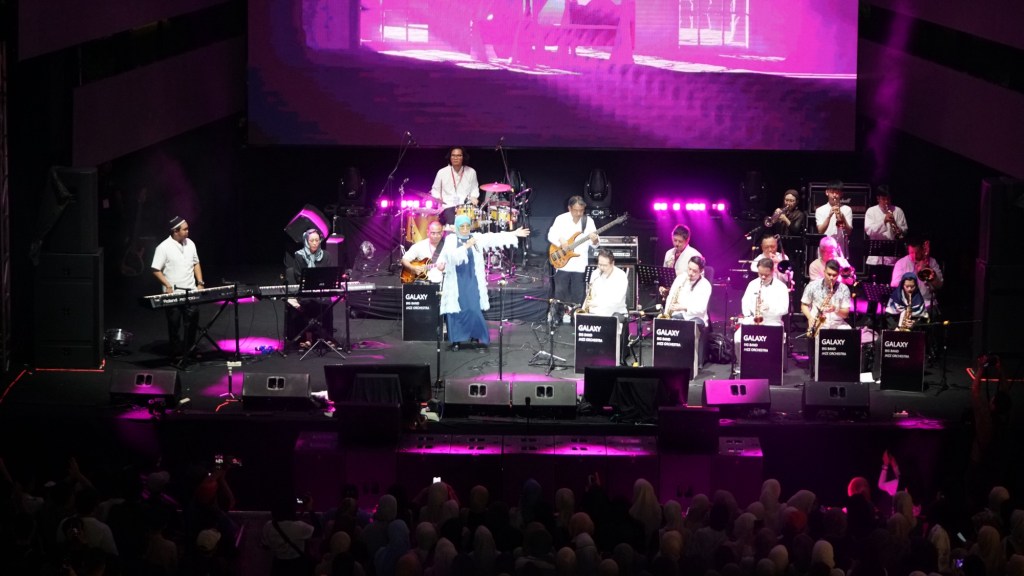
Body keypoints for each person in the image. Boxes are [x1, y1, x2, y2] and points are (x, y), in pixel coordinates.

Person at [437, 214, 530, 350]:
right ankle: (456, 340)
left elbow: (493, 237)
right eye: (462, 226)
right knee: (455, 310)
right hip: (456, 281)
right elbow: (449, 256)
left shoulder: (476, 238)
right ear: (456, 227)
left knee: (473, 309)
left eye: (467, 226)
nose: (465, 229)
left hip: (472, 279)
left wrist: (514, 233)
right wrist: (465, 247)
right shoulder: (451, 239)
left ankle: (476, 336)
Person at [151, 216, 205, 357]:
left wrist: (200, 282)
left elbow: (196, 263)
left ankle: (190, 350)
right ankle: (176, 353)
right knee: (174, 324)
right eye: (185, 229)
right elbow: (155, 269)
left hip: (191, 291)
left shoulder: (190, 243)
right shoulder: (163, 247)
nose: (188, 231)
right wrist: (167, 285)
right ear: (175, 231)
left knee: (192, 323)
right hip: (173, 294)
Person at [547, 196, 599, 321]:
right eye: (576, 210)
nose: (579, 213)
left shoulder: (588, 221)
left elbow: (595, 244)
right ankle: (557, 317)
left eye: (581, 210)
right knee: (560, 291)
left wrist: (595, 240)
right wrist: (561, 241)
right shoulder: (561, 219)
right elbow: (551, 235)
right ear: (569, 208)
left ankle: (577, 318)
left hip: (580, 264)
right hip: (563, 262)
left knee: (579, 293)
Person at [734, 258, 790, 370]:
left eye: (766, 275)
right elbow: (745, 302)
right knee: (738, 339)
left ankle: (770, 368)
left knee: (770, 340)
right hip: (753, 319)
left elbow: (784, 309)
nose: (763, 277)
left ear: (772, 271)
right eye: (760, 274)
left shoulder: (781, 287)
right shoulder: (752, 284)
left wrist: (769, 308)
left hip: (772, 321)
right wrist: (748, 316)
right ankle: (742, 365)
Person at [286, 228, 335, 349]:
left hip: (321, 291)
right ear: (306, 241)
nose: (314, 243)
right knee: (308, 302)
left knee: (327, 302)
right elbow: (298, 276)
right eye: (311, 240)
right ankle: (308, 338)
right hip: (306, 291)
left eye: (317, 240)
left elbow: (329, 275)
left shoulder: (326, 256)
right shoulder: (299, 256)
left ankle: (327, 337)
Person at [580, 250, 630, 363]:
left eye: (604, 265)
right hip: (596, 310)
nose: (601, 267)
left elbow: (617, 300)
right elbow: (590, 294)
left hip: (615, 311)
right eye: (599, 264)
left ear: (612, 263)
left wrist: (597, 303)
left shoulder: (621, 276)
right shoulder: (595, 274)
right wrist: (584, 308)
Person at [890, 234, 943, 312]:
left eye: (917, 253)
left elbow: (939, 285)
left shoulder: (932, 262)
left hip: (927, 303)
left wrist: (927, 269)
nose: (914, 256)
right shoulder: (901, 263)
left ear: (922, 250)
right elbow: (894, 284)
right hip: (906, 304)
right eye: (911, 253)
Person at [863, 185, 908, 274]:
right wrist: (884, 221)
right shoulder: (871, 211)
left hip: (893, 259)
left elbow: (904, 230)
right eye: (883, 199)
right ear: (878, 198)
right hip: (875, 259)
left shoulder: (898, 211)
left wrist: (897, 227)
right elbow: (869, 231)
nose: (886, 202)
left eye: (888, 199)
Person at [801, 259, 852, 337]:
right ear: (824, 272)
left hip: (837, 324)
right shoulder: (812, 286)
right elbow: (804, 305)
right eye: (829, 274)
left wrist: (835, 309)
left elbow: (845, 314)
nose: (831, 278)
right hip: (818, 323)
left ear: (838, 274)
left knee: (849, 333)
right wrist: (810, 318)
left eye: (834, 275)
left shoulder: (844, 289)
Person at [430, 147, 480, 225]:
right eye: (453, 155)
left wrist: (474, 196)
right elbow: (435, 189)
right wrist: (438, 198)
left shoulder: (471, 172)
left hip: (465, 206)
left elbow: (474, 188)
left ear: (463, 157)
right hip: (448, 205)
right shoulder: (442, 172)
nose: (455, 158)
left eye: (459, 155)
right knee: (453, 221)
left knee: (471, 222)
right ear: (450, 157)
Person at [663, 255, 712, 325]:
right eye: (689, 269)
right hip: (677, 315)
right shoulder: (680, 278)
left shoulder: (705, 285)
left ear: (701, 271)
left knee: (689, 324)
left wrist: (684, 308)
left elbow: (701, 310)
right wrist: (666, 315)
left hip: (695, 318)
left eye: (694, 271)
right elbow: (670, 297)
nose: (690, 273)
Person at [814, 180, 853, 258]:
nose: (834, 195)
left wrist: (842, 216)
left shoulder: (847, 209)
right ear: (827, 192)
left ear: (841, 194)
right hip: (825, 250)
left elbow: (848, 232)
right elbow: (820, 231)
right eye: (832, 192)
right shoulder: (820, 210)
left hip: (840, 250)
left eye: (837, 193)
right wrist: (829, 216)